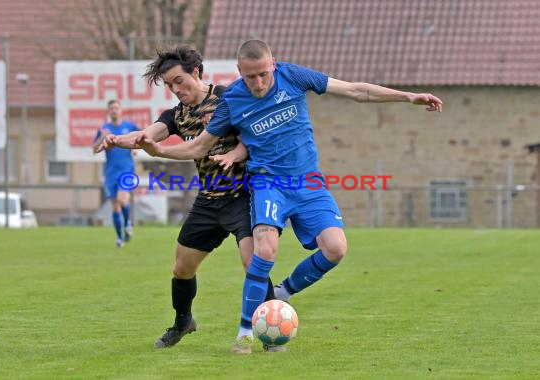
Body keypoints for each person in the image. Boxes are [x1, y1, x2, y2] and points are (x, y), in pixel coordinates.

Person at [135, 39, 444, 354]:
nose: (259, 83)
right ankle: (245, 333)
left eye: (264, 74)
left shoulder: (293, 76)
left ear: (274, 64)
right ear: (239, 72)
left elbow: (355, 90)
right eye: (251, 76)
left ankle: (284, 291)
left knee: (336, 249)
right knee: (264, 252)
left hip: (309, 182)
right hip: (268, 183)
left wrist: (407, 96)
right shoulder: (232, 102)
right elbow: (200, 146)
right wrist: (159, 150)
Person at [96, 45, 275, 348]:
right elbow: (147, 135)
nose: (175, 89)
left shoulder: (227, 97)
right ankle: (183, 322)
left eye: (178, 81)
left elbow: (253, 137)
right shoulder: (176, 115)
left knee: (253, 263)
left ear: (196, 72)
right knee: (182, 268)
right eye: (168, 85)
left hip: (241, 196)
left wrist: (236, 153)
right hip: (207, 201)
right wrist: (116, 140)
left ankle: (271, 329)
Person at [93, 99, 140, 248]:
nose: (114, 110)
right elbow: (94, 149)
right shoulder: (104, 128)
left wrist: (135, 147)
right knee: (115, 206)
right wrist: (102, 137)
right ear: (108, 112)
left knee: (122, 199)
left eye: (116, 108)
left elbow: (142, 137)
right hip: (111, 172)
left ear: (120, 111)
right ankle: (120, 237)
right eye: (111, 108)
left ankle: (128, 223)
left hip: (126, 169)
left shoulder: (129, 126)